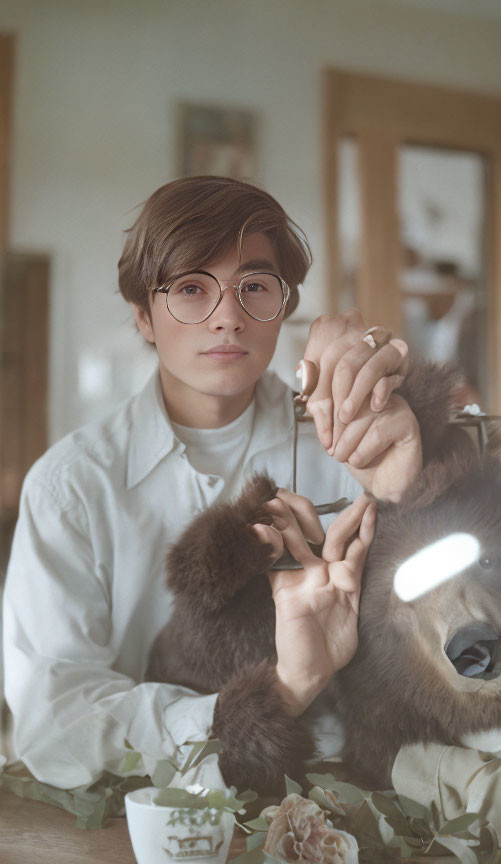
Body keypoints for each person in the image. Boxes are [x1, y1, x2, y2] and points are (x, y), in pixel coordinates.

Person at [2, 175, 422, 789]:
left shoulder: (348, 444)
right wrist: (270, 697)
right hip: (135, 813)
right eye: (192, 289)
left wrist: (410, 482)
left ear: (285, 306)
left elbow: (443, 638)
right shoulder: (70, 487)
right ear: (143, 315)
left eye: (254, 286)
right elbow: (55, 720)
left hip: (344, 788)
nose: (228, 317)